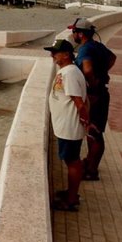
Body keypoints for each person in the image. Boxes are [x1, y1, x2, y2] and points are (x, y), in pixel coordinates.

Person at [69, 17, 117, 181]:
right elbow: (112, 58)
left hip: (95, 95)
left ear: (80, 34)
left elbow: (87, 70)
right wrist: (103, 73)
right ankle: (91, 164)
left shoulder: (85, 49)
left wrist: (92, 83)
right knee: (95, 131)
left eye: (74, 31)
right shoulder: (98, 46)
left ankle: (91, 170)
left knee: (94, 131)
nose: (72, 34)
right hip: (102, 92)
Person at [45, 39, 89, 212]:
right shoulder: (67, 71)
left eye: (55, 52)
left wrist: (86, 122)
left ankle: (71, 200)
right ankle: (71, 193)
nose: (52, 55)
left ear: (67, 55)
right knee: (70, 160)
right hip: (65, 127)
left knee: (72, 162)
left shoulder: (70, 74)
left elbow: (79, 103)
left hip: (69, 128)